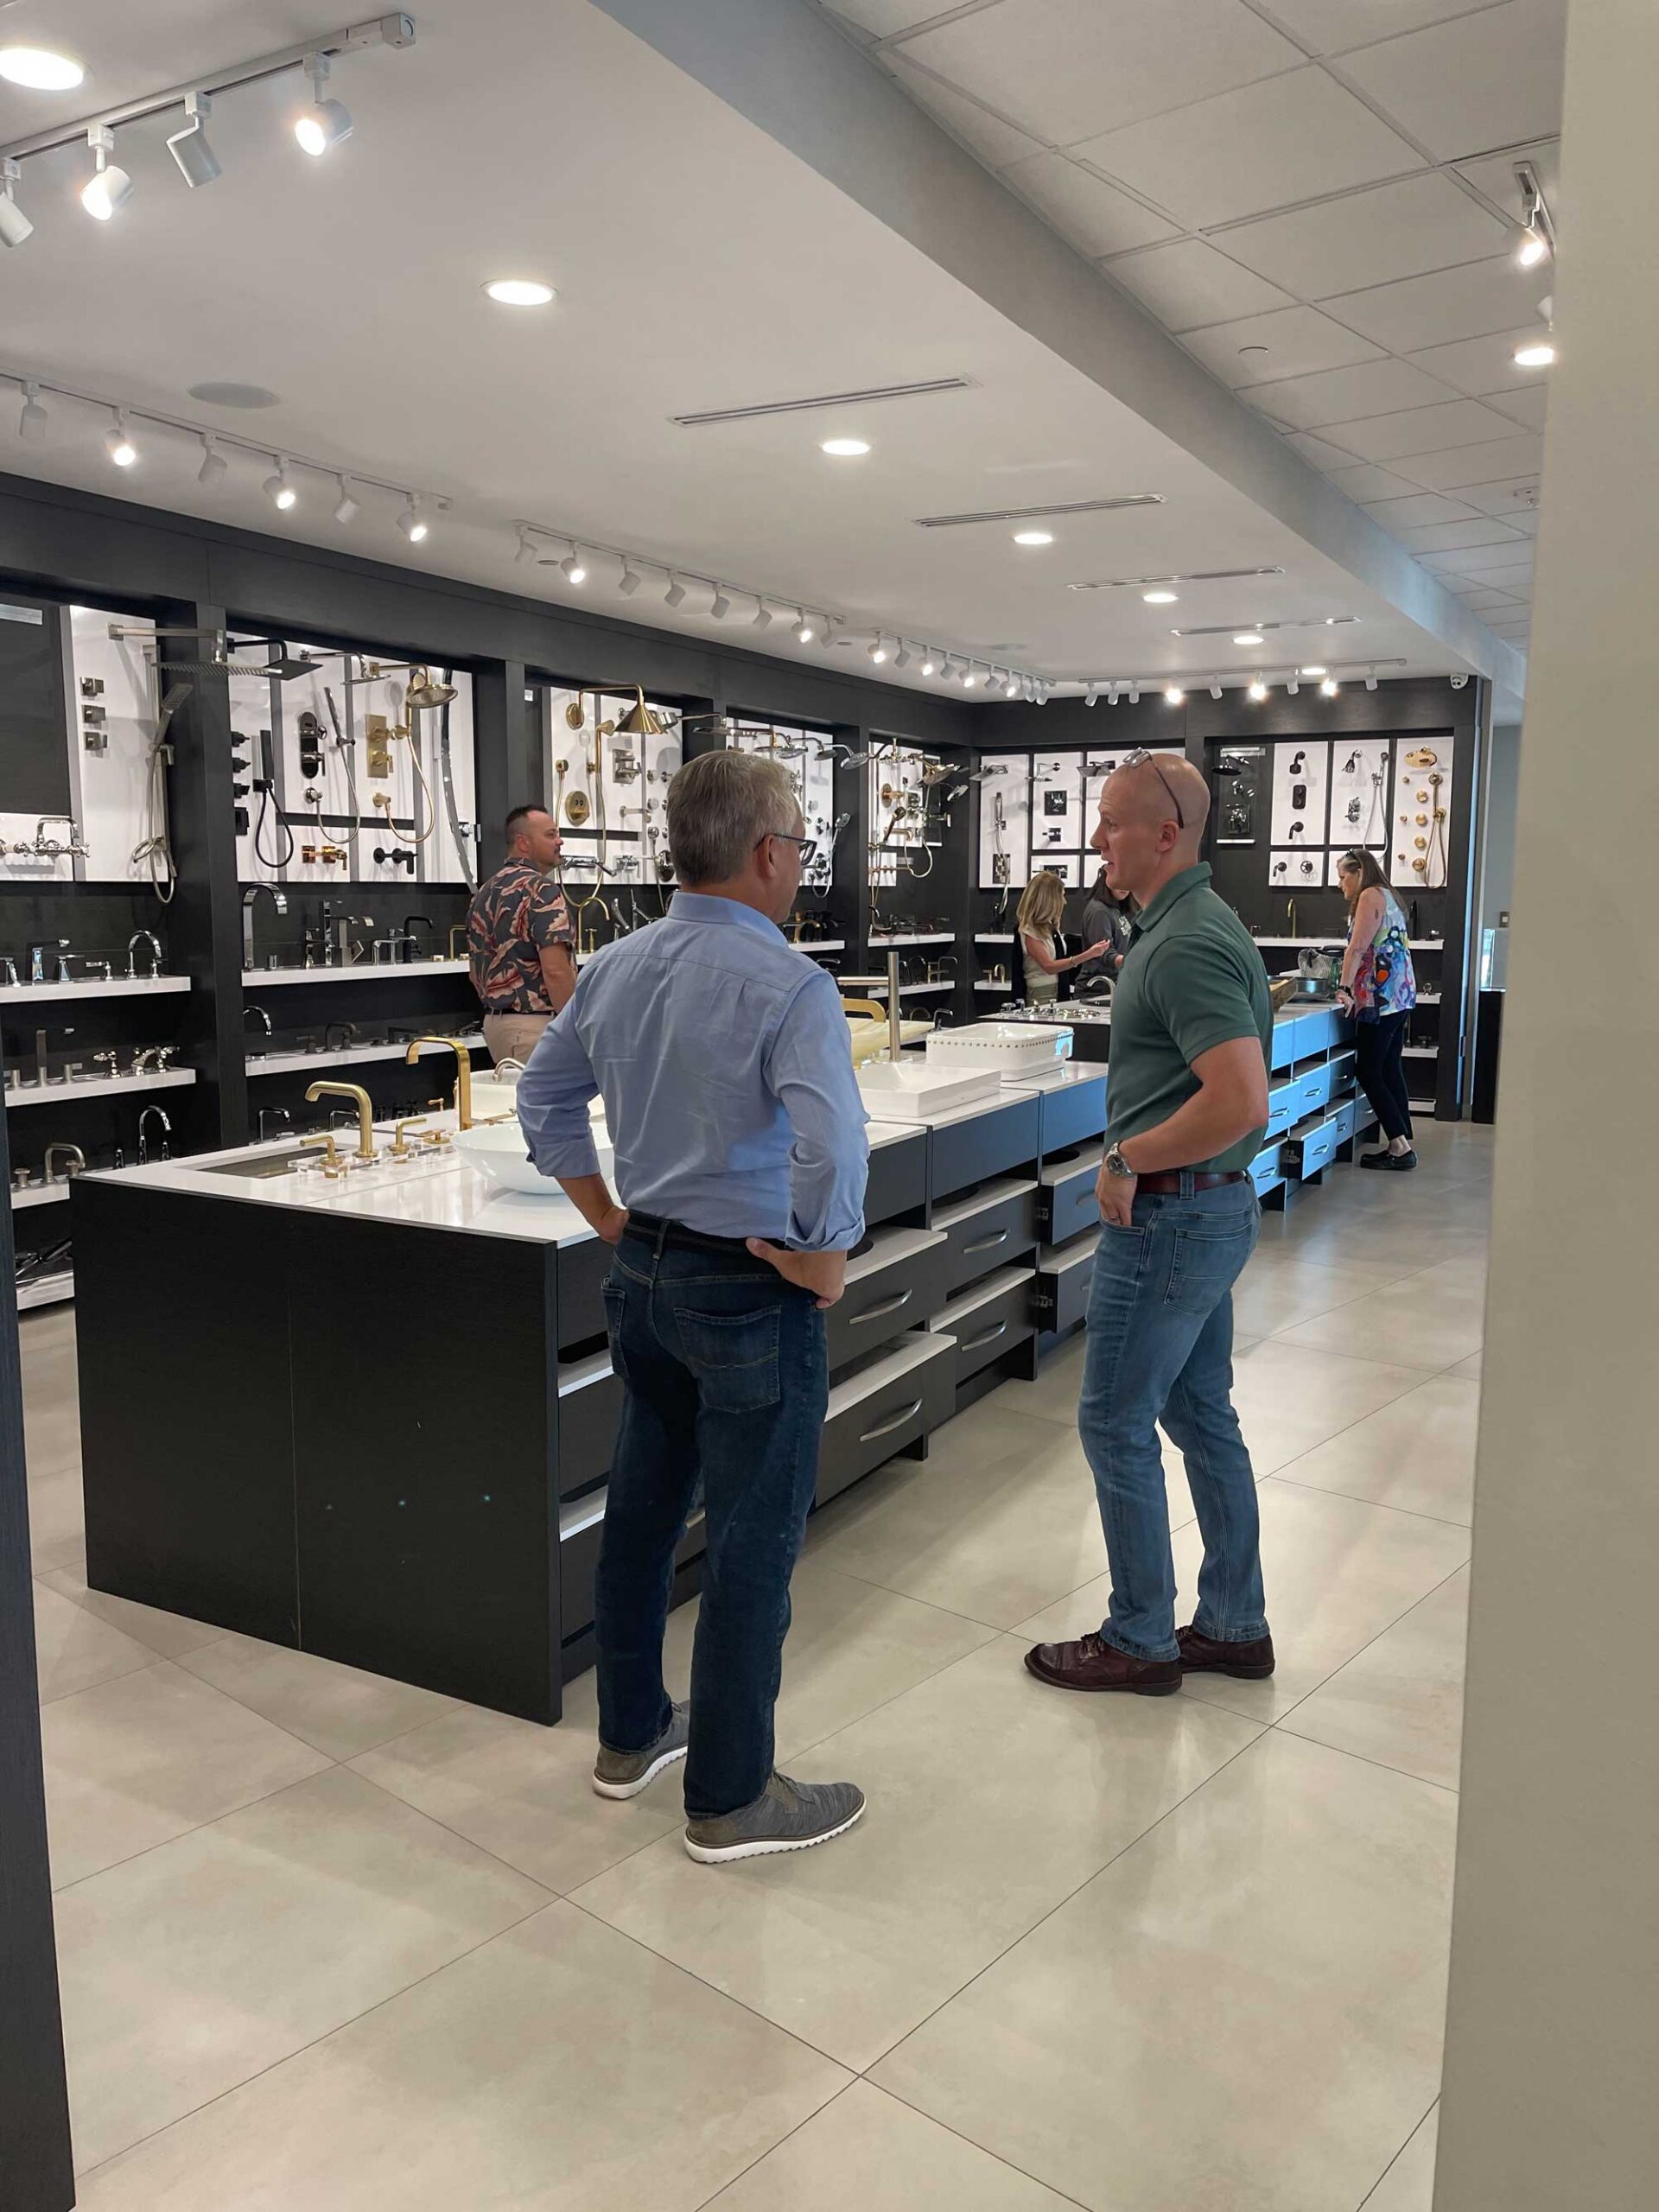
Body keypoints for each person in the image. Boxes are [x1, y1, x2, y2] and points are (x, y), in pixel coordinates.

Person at [514, 750, 869, 1865]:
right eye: (801, 846)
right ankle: (728, 1795)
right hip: (750, 1289)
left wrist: (606, 1211)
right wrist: (824, 1256)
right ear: (767, 853)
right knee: (753, 1539)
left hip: (647, 1278)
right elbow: (833, 1143)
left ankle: (631, 1737)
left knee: (644, 1510)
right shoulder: (793, 986)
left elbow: (542, 1093)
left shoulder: (613, 966)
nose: (801, 866)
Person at [1025, 749, 1276, 1696]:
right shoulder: (1186, 926)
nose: (1097, 840)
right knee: (1199, 1414)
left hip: (1172, 1218)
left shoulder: (1183, 942)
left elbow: (1241, 1099)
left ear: (1165, 835)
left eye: (1112, 822)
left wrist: (1129, 1156)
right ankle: (1232, 1624)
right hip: (1201, 1214)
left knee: (1115, 1420)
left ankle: (1140, 1635)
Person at [466, 804, 577, 1065]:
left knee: (516, 1103)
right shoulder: (542, 889)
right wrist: (576, 1026)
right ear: (523, 843)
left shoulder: (484, 891)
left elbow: (475, 973)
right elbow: (556, 971)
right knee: (550, 1105)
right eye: (550, 835)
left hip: (496, 1027)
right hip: (536, 1028)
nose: (559, 841)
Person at [1336, 848, 1419, 1171]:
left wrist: (1344, 988)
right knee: (1388, 1066)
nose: (1340, 884)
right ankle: (1402, 1138)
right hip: (1400, 996)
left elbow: (1357, 948)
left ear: (1359, 873)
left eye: (1343, 876)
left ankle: (1400, 1146)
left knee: (1368, 1069)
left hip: (1380, 999)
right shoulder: (1390, 894)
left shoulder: (1370, 895)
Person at [1017, 870, 1109, 1004]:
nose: (1064, 902)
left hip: (1057, 988)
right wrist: (1088, 955)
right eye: (1062, 896)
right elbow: (1049, 966)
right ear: (1049, 900)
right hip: (1042, 993)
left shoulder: (1050, 928)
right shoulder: (1029, 931)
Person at [1079, 867, 1135, 985]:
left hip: (1115, 982)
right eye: (1120, 880)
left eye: (1128, 882)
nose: (1124, 887)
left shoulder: (1115, 909)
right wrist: (1131, 962)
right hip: (1099, 987)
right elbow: (1103, 952)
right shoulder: (1100, 911)